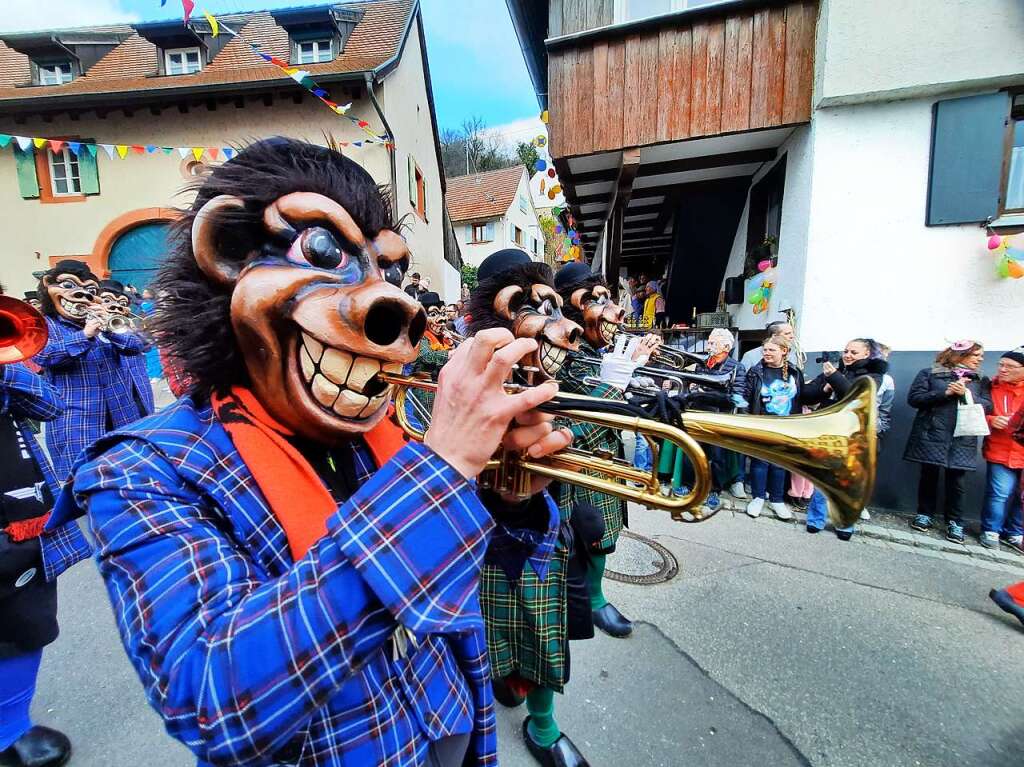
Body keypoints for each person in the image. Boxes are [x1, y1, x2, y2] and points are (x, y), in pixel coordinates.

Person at [49, 139, 571, 767]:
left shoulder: (389, 429)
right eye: (324, 251)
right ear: (225, 255)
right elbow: (213, 698)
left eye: (391, 272)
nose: (396, 305)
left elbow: (461, 577)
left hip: (451, 725)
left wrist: (503, 501)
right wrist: (442, 472)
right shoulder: (137, 473)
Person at [468, 251, 590, 767]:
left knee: (547, 630)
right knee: (487, 630)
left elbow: (591, 420)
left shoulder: (564, 365)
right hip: (482, 533)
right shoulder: (463, 367)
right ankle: (503, 686)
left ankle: (543, 727)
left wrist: (565, 434)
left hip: (545, 524)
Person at [0, 289, 91, 767]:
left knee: (26, 620)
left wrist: (4, 371)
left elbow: (49, 405)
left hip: (23, 521)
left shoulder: (7, 370)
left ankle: (11, 726)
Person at [32, 261, 152, 481]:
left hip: (121, 416)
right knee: (83, 483)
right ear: (48, 286)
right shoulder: (45, 325)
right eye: (69, 285)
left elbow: (137, 347)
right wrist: (85, 335)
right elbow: (45, 356)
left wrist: (110, 329)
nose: (83, 295)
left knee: (128, 477)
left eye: (91, 291)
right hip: (78, 421)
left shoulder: (103, 320)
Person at [802, 338, 891, 540]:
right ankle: (815, 520)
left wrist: (833, 377)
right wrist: (823, 389)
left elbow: (855, 396)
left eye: (854, 352)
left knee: (848, 479)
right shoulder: (837, 370)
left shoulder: (875, 375)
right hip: (829, 431)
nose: (848, 355)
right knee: (822, 476)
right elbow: (807, 396)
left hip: (853, 435)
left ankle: (845, 523)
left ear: (867, 354)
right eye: (846, 351)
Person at [904, 340, 992, 543]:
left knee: (957, 481)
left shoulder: (980, 379)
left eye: (981, 357)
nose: (980, 360)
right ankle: (924, 514)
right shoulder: (930, 373)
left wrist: (967, 394)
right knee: (929, 475)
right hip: (932, 433)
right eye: (975, 355)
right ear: (959, 356)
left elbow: (988, 405)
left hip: (962, 436)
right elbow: (915, 399)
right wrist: (945, 393)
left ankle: (955, 523)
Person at [743, 334, 805, 520]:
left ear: (784, 351)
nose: (767, 353)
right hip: (761, 424)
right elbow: (746, 397)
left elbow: (801, 398)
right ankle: (758, 498)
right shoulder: (755, 372)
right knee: (759, 462)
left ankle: (777, 500)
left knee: (779, 464)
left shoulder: (794, 372)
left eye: (772, 350)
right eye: (765, 350)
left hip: (785, 426)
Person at [693, 328, 748, 505]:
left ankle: (714, 490)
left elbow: (737, 395)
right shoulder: (702, 362)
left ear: (726, 346)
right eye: (709, 342)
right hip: (700, 413)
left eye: (712, 343)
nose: (708, 346)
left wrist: (707, 393)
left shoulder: (737, 368)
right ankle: (693, 486)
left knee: (717, 457)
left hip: (719, 417)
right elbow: (692, 385)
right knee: (695, 453)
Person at [978, 346, 1024, 549]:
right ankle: (991, 530)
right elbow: (976, 410)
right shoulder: (991, 386)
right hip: (1000, 448)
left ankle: (1015, 533)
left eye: (1010, 366)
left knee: (1022, 497)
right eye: (1001, 364)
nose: (1003, 369)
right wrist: (990, 419)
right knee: (999, 493)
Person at [97, 280, 155, 415]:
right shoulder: (90, 326)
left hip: (137, 386)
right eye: (107, 301)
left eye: (121, 303)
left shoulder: (128, 325)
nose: (115, 307)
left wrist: (133, 330)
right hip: (113, 391)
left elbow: (146, 347)